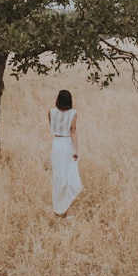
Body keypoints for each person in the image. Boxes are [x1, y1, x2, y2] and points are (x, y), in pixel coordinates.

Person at [48, 89, 83, 217]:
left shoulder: (51, 112)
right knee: (69, 177)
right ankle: (68, 210)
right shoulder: (73, 113)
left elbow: (52, 128)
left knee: (58, 177)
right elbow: (73, 131)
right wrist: (76, 150)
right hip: (68, 144)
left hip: (56, 144)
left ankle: (59, 208)